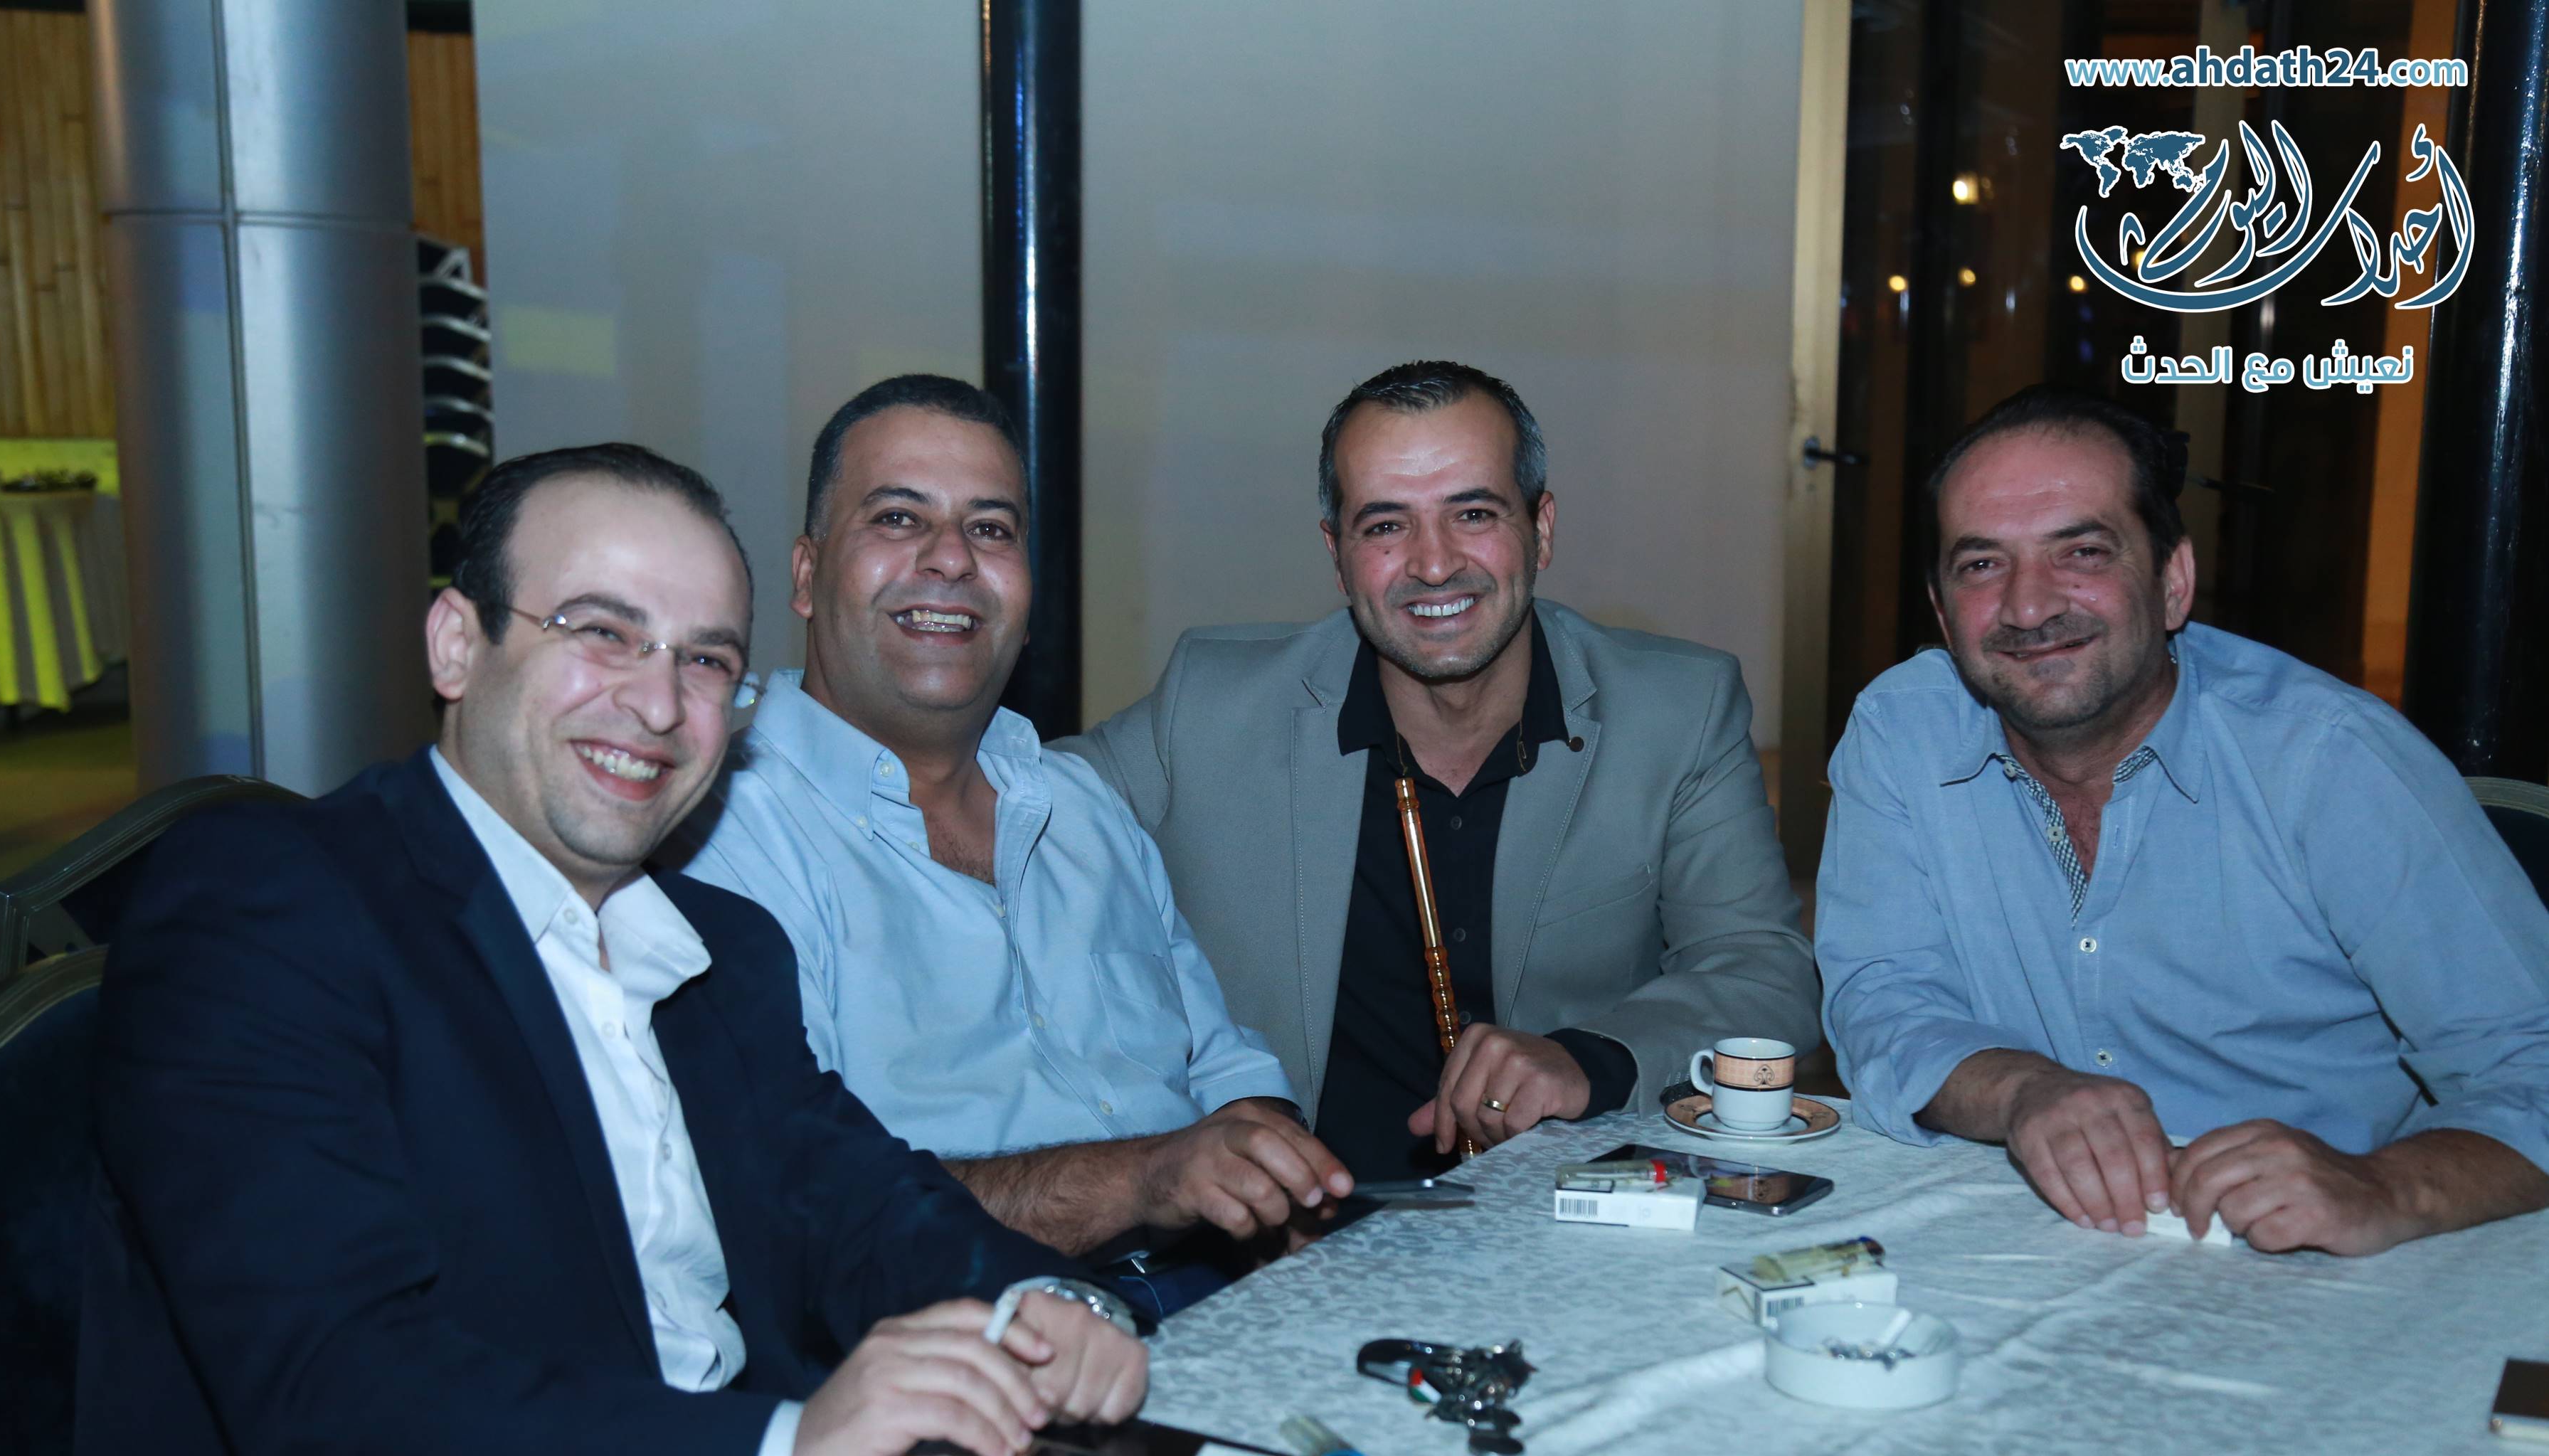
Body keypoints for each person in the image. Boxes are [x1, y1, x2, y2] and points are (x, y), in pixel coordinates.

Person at [75, 443, 1147, 1456]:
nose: (655, 703)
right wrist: (787, 1454)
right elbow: (332, 1392)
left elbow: (859, 1199)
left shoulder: (718, 947)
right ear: (456, 643)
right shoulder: (272, 905)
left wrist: (1045, 1306)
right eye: (600, 632)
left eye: (705, 660)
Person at [1815, 384, 2549, 1255]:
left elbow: (2531, 1060)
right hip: (2024, 1236)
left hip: (2315, 1265)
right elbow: (1883, 996)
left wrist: (2386, 1183)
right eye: (1981, 565)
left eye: (2082, 553)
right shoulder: (1902, 730)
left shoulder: (2330, 760)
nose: (2027, 607)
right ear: (1942, 613)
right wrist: (2021, 1090)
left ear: (2173, 584)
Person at [676, 376, 1350, 1304]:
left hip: (1228, 1296)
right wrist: (1146, 1181)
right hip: (956, 1330)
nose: (952, 558)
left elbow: (1222, 1063)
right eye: (898, 518)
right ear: (805, 574)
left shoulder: (1080, 805)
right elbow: (801, 1201)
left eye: (991, 528)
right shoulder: (721, 835)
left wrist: (1264, 1165)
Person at [1062, 361, 1821, 1181]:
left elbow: (1764, 974)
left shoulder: (1677, 711)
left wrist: (1589, 1059)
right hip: (1292, 1229)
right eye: (1386, 525)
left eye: (1473, 513)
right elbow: (1003, 815)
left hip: (1565, 1217)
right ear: (1338, 555)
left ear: (1542, 529)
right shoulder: (1211, 706)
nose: (1433, 564)